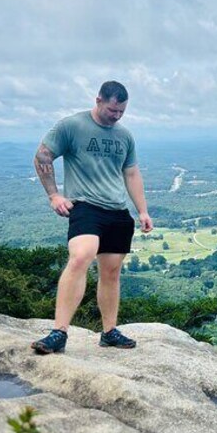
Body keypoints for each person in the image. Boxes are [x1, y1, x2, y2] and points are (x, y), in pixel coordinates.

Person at [31, 81, 153, 354]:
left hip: (118, 210)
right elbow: (42, 155)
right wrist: (54, 195)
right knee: (81, 257)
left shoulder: (124, 136)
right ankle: (59, 332)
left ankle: (109, 332)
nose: (116, 116)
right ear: (98, 100)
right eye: (112, 110)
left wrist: (142, 210)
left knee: (111, 272)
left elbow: (131, 173)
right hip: (85, 205)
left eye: (121, 111)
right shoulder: (72, 126)